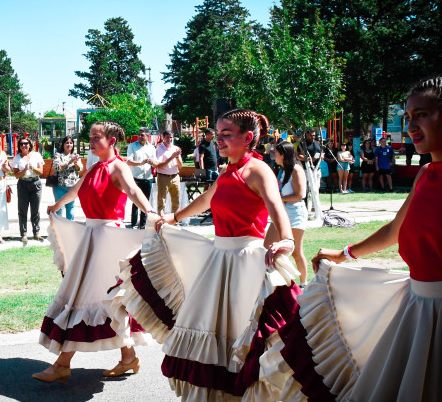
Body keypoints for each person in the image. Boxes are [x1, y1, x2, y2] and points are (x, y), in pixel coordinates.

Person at [279, 76, 442, 401]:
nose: (410, 125)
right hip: (415, 308)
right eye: (407, 116)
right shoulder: (427, 174)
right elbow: (393, 230)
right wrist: (343, 253)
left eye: (421, 115)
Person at [112, 109, 302, 400]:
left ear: (248, 138)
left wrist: (286, 240)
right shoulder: (228, 172)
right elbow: (204, 200)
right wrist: (173, 218)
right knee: (208, 326)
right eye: (218, 134)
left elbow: (277, 209)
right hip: (220, 259)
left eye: (227, 135)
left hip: (246, 261)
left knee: (243, 330)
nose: (219, 141)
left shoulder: (259, 170)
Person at [33, 121, 155, 384]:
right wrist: (57, 204)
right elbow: (77, 190)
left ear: (112, 141)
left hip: (108, 239)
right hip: (92, 238)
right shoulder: (94, 168)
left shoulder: (118, 167)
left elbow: (133, 190)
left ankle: (62, 364)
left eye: (96, 137)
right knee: (105, 300)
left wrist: (151, 212)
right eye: (90, 136)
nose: (91, 140)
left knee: (85, 297)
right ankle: (128, 358)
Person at [265, 140, 309, 285]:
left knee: (296, 252)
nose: (274, 156)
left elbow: (299, 195)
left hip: (295, 212)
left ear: (283, 155)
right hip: (282, 212)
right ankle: (276, 282)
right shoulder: (283, 170)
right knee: (268, 246)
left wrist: (278, 198)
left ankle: (303, 284)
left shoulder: (296, 169)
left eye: (276, 153)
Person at [12, 138, 44, 243]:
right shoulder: (17, 158)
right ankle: (23, 234)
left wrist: (33, 168)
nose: (23, 145)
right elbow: (16, 175)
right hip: (23, 184)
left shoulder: (36, 155)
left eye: (26, 143)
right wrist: (25, 169)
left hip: (35, 183)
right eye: (21, 144)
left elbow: (40, 171)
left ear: (30, 144)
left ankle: (36, 233)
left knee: (35, 210)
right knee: (22, 210)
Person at [126, 127, 156, 229]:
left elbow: (155, 162)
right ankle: (134, 223)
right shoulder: (132, 146)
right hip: (136, 178)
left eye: (142, 135)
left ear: (147, 136)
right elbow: (129, 161)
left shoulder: (151, 148)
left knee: (145, 201)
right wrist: (142, 162)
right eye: (139, 134)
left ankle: (143, 223)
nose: (139, 136)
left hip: (148, 178)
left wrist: (153, 163)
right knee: (136, 201)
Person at [52, 136, 83, 221]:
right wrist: (70, 162)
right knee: (59, 209)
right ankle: (58, 231)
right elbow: (57, 167)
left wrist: (76, 163)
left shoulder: (75, 155)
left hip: (72, 188)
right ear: (63, 144)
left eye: (71, 143)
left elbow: (80, 169)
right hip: (60, 186)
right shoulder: (58, 155)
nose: (69, 144)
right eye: (67, 143)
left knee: (71, 209)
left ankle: (69, 231)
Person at [154, 130, 183, 215]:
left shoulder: (176, 148)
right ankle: (161, 222)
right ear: (163, 138)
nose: (169, 139)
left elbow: (180, 166)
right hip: (163, 177)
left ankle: (175, 223)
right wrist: (171, 157)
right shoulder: (159, 149)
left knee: (176, 201)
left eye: (171, 137)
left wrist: (177, 157)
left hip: (175, 176)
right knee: (161, 202)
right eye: (167, 137)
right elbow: (159, 165)